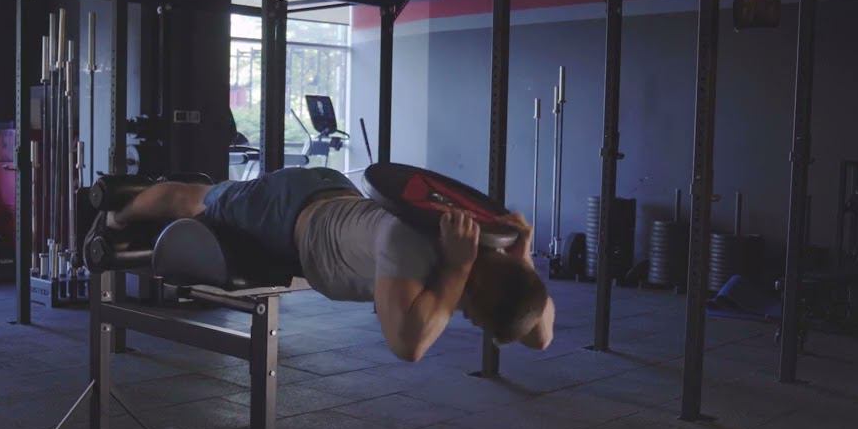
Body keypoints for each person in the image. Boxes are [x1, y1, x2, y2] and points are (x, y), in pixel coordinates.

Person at [93, 167, 555, 362]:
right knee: (191, 199)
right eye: (473, 315)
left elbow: (540, 337)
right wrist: (454, 270)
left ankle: (138, 210)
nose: (467, 319)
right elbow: (407, 344)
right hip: (287, 208)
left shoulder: (492, 257)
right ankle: (116, 215)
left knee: (203, 200)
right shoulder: (413, 243)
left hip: (332, 199)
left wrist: (525, 258)